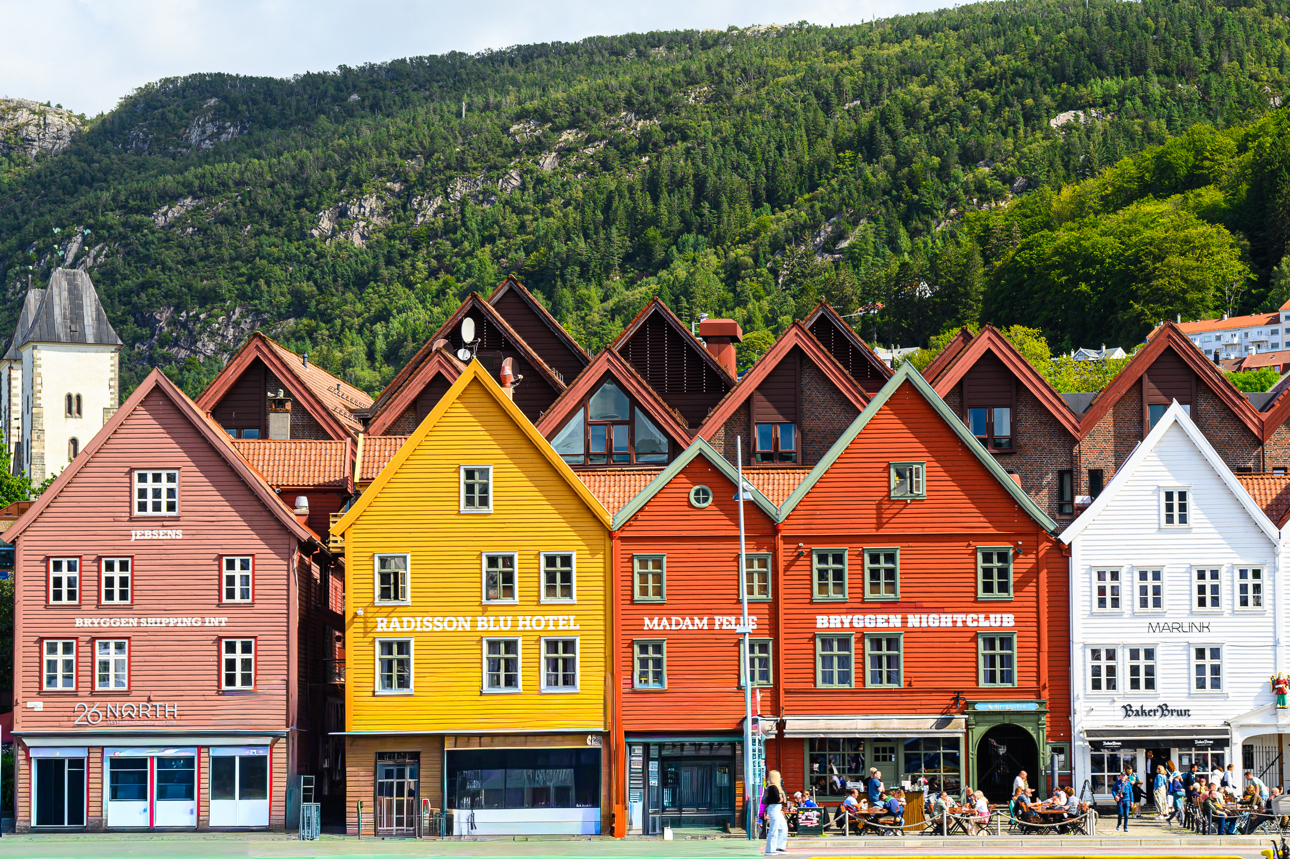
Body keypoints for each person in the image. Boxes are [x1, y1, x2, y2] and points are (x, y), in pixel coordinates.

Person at [763, 770, 787, 855]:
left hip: (777, 809)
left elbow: (782, 800)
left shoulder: (777, 787)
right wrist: (781, 799)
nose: (780, 779)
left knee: (783, 827)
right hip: (774, 809)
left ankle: (779, 847)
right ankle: (770, 849)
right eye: (779, 777)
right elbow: (778, 799)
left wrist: (781, 799)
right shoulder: (773, 787)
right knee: (774, 829)